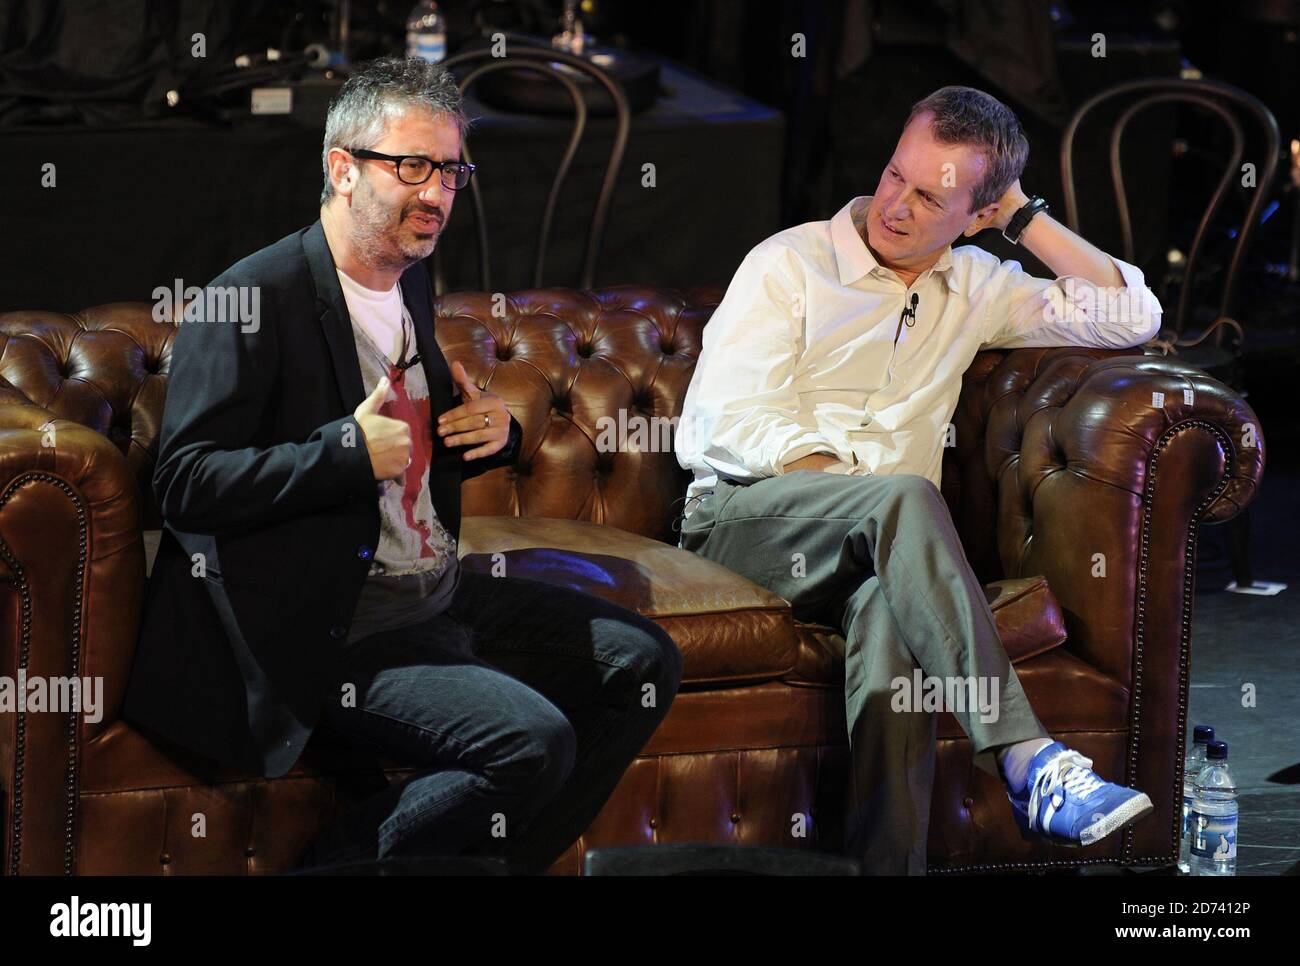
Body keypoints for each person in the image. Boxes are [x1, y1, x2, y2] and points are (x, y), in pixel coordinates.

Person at [124, 57, 682, 875]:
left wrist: (493, 432)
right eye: (413, 167)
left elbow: (422, 443)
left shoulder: (410, 285)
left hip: (432, 591)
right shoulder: (250, 299)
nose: (438, 195)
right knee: (531, 742)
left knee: (642, 661)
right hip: (330, 624)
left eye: (452, 171)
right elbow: (185, 483)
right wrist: (344, 452)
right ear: (341, 169)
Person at [675, 85, 1159, 875]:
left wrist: (1024, 219)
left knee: (891, 616)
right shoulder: (789, 265)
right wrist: (854, 494)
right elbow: (721, 424)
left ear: (977, 214)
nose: (895, 205)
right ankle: (1029, 756)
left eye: (931, 196)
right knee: (899, 498)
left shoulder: (977, 284)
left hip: (878, 555)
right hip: (749, 524)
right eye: (897, 175)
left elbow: (1129, 315)